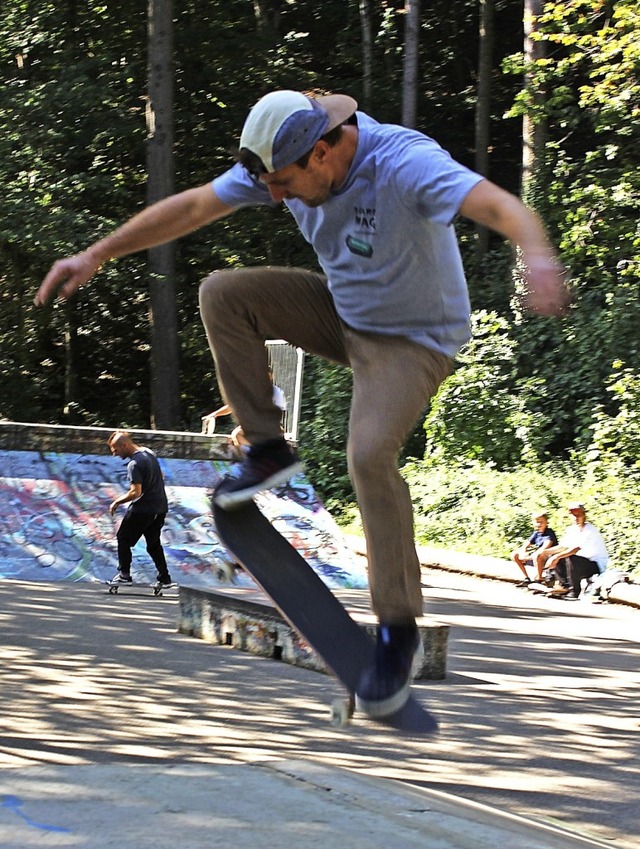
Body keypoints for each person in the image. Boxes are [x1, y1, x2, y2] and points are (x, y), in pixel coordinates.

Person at [34, 89, 569, 718]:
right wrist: (99, 251)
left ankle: (396, 632)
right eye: (271, 187)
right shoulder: (284, 164)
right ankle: (265, 447)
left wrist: (535, 254)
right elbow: (195, 205)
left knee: (368, 455)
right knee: (223, 292)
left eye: (287, 184)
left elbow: (497, 203)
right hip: (343, 315)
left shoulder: (405, 163)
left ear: (322, 151)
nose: (279, 198)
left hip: (413, 341)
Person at [107, 430, 172, 587]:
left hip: (143, 509)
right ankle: (165, 578)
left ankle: (124, 575)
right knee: (153, 543)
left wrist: (117, 502)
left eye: (116, 450)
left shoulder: (134, 463)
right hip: (160, 507)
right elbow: (161, 475)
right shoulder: (148, 453)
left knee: (123, 538)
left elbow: (136, 492)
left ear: (124, 445)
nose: (115, 455)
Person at [544, 503, 609, 598]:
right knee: (558, 555)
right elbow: (562, 547)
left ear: (584, 515)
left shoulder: (590, 531)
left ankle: (574, 590)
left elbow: (574, 549)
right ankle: (564, 586)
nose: (575, 518)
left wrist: (556, 556)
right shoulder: (572, 530)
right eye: (573, 515)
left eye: (578, 515)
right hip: (580, 563)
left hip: (594, 565)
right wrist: (544, 552)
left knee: (569, 557)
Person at [511, 511, 558, 587]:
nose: (539, 524)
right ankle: (526, 578)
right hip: (537, 558)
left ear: (546, 522)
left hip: (549, 559)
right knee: (515, 555)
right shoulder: (536, 533)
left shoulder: (549, 533)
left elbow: (544, 548)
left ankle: (539, 579)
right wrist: (523, 554)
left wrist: (529, 557)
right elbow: (525, 545)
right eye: (537, 522)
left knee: (538, 555)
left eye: (541, 522)